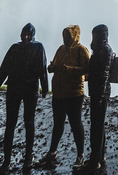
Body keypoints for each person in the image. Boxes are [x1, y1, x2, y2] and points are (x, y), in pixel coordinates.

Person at [0, 23, 48, 174]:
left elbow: (41, 69)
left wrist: (44, 87)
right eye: (24, 34)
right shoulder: (35, 47)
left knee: (23, 122)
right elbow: (4, 69)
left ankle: (21, 159)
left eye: (28, 34)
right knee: (16, 123)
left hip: (20, 88)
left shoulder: (17, 48)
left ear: (32, 35)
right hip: (24, 88)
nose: (26, 37)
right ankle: (12, 160)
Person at [36, 25, 90, 170]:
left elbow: (88, 69)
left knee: (76, 124)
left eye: (68, 36)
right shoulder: (61, 49)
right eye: (65, 36)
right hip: (58, 93)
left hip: (74, 94)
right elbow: (55, 64)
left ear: (74, 36)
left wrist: (70, 70)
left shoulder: (81, 50)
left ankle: (80, 155)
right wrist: (52, 68)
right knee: (58, 124)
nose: (66, 39)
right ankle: (52, 152)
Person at [77, 24, 114, 173]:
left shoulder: (104, 50)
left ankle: (94, 162)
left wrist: (99, 96)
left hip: (100, 92)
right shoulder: (101, 49)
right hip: (99, 92)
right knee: (98, 126)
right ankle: (100, 157)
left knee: (96, 127)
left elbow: (104, 74)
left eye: (96, 35)